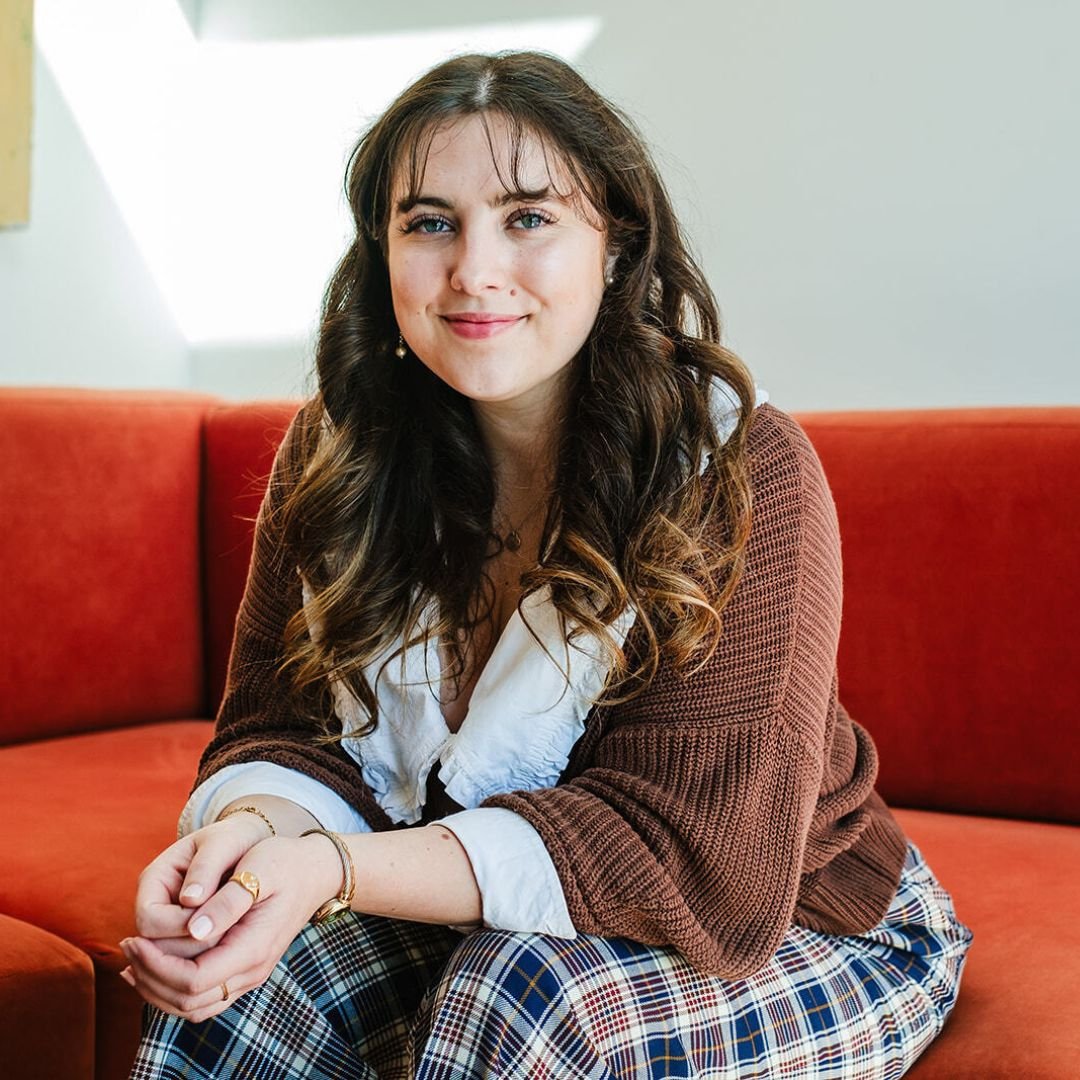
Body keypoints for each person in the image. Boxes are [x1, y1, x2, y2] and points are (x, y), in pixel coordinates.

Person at [124, 51, 971, 1079]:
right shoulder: (337, 451)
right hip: (500, 926)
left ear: (614, 245)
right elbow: (277, 731)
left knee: (516, 993)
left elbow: (698, 864)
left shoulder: (738, 468)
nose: (475, 269)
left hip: (807, 931)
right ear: (379, 251)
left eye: (529, 219)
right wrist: (245, 857)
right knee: (249, 977)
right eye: (429, 222)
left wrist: (333, 869)